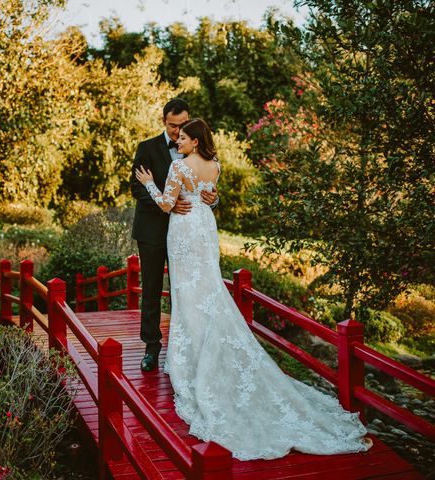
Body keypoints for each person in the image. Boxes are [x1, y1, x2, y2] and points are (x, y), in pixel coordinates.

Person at [134, 118, 372, 460]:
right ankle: (206, 352)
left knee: (189, 297)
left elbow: (167, 205)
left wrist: (150, 183)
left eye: (183, 137)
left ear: (196, 141)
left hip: (185, 233)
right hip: (205, 230)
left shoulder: (177, 167)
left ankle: (194, 362)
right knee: (208, 291)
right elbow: (209, 198)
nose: (179, 141)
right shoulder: (214, 165)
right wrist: (208, 199)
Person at [130, 99, 217, 372]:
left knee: (190, 288)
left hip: (189, 233)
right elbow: (136, 187)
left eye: (183, 126)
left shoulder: (200, 154)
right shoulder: (146, 148)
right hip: (154, 232)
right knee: (152, 291)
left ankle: (191, 348)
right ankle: (151, 349)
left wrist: (212, 199)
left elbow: (208, 192)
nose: (178, 132)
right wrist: (168, 206)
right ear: (163, 121)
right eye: (173, 126)